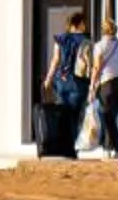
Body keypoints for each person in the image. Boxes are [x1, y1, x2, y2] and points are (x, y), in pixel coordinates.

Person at [39, 11, 91, 159]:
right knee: (75, 116)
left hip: (61, 82)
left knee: (63, 115)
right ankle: (72, 148)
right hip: (78, 84)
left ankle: (62, 147)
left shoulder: (60, 39)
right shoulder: (85, 41)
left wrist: (48, 79)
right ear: (79, 24)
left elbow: (55, 60)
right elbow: (89, 63)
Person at [89, 17, 118, 160]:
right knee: (111, 117)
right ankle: (108, 148)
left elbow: (96, 67)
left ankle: (117, 150)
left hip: (108, 85)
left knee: (107, 117)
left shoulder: (99, 46)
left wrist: (91, 87)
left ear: (103, 30)